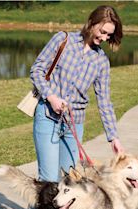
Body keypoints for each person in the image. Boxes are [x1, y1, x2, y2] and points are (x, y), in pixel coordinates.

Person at [30, 5, 125, 184]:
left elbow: (104, 101)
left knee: (69, 182)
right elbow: (37, 70)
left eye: (108, 35)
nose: (104, 38)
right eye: (103, 32)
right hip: (48, 117)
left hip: (74, 127)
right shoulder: (62, 40)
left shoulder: (101, 61)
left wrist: (114, 138)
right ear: (91, 23)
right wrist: (52, 97)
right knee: (48, 182)